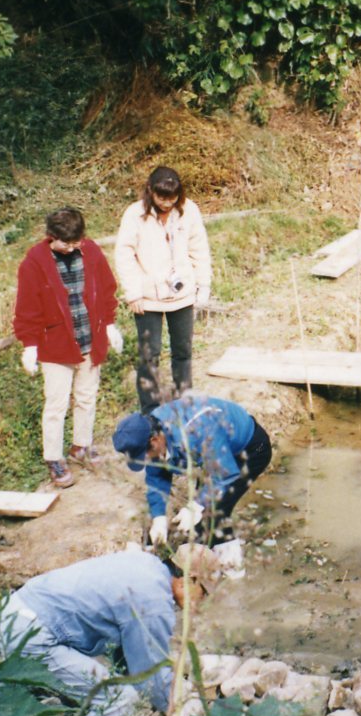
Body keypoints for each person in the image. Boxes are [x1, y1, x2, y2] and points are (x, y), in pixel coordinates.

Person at [0, 544, 221, 716]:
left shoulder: (146, 565)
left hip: (11, 613)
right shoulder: (153, 602)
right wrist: (181, 711)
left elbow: (130, 651)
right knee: (117, 698)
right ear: (188, 580)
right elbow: (150, 676)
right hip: (31, 635)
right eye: (205, 591)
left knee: (5, 697)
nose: (204, 601)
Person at [14, 207, 122, 489]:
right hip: (56, 347)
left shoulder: (91, 251)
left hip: (90, 340)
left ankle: (80, 446)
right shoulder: (34, 263)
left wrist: (109, 325)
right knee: (56, 404)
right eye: (67, 243)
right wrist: (30, 346)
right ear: (51, 237)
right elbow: (27, 308)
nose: (73, 247)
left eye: (77, 242)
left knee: (86, 397)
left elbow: (107, 289)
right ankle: (54, 457)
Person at [111, 396, 272, 546]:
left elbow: (223, 474)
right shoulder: (150, 430)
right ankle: (211, 555)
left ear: (155, 440)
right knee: (202, 515)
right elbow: (157, 476)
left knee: (214, 514)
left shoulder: (196, 430)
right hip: (213, 454)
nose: (147, 461)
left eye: (145, 456)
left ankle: (233, 570)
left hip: (250, 450)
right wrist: (158, 516)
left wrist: (196, 506)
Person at [115, 166, 212, 412]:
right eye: (162, 198)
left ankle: (184, 402)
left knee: (183, 351)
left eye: (173, 197)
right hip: (148, 298)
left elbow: (199, 247)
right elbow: (124, 254)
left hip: (182, 295)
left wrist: (204, 284)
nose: (168, 203)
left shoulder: (189, 210)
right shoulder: (134, 215)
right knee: (150, 355)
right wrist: (133, 291)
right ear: (150, 190)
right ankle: (150, 411)